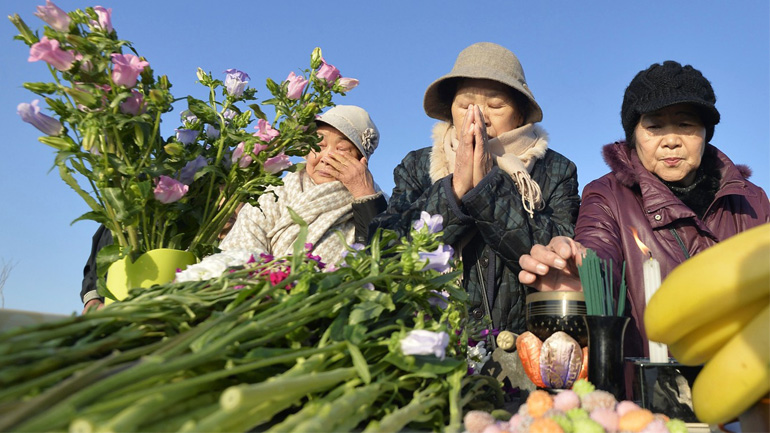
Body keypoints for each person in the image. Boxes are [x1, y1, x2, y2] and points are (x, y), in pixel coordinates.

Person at [518, 61, 770, 357]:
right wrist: (583, 278)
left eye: (686, 124)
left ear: (706, 132)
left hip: (746, 377)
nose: (671, 141)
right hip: (645, 390)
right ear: (634, 136)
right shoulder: (607, 196)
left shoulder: (751, 200)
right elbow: (598, 251)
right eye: (654, 126)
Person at [82, 104, 386, 310]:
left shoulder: (369, 205)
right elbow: (241, 246)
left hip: (316, 309)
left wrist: (362, 192)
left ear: (362, 160)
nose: (325, 156)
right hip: (248, 302)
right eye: (318, 144)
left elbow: (377, 259)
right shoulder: (272, 192)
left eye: (343, 149)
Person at [370, 42, 580, 335]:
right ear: (450, 112)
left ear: (520, 115)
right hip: (432, 344)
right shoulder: (417, 165)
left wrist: (487, 188)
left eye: (495, 106)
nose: (478, 117)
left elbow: (560, 257)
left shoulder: (555, 169)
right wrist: (454, 190)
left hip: (525, 346)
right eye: (465, 106)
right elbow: (386, 247)